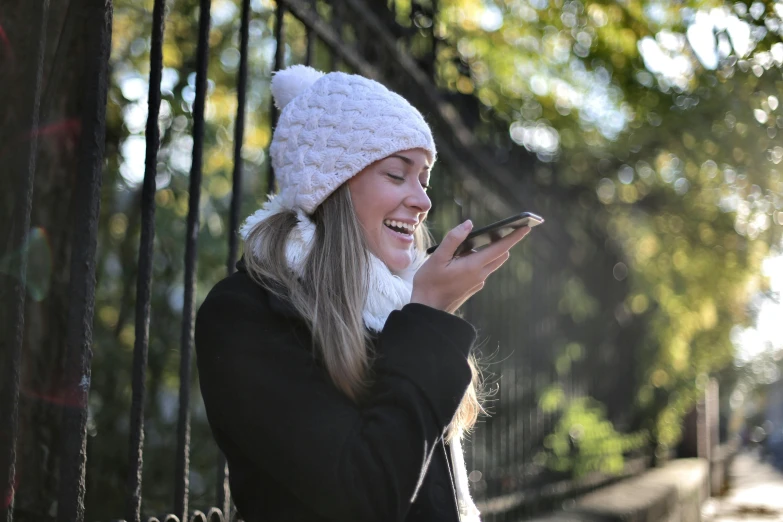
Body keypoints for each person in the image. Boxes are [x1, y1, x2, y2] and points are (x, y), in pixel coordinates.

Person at [195, 65, 530, 522]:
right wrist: (429, 313)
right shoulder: (246, 313)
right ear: (328, 184)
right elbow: (367, 497)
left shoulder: (398, 304)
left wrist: (423, 313)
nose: (422, 201)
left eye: (423, 179)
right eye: (397, 174)